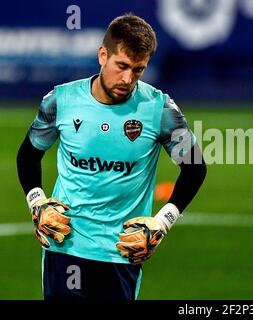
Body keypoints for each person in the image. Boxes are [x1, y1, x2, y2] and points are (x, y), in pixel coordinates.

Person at [16, 14, 207, 300]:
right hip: (65, 246)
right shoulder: (61, 101)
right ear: (103, 55)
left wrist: (163, 221)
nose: (128, 79)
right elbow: (29, 155)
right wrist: (37, 202)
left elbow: (195, 168)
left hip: (121, 253)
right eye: (122, 66)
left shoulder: (159, 109)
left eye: (139, 70)